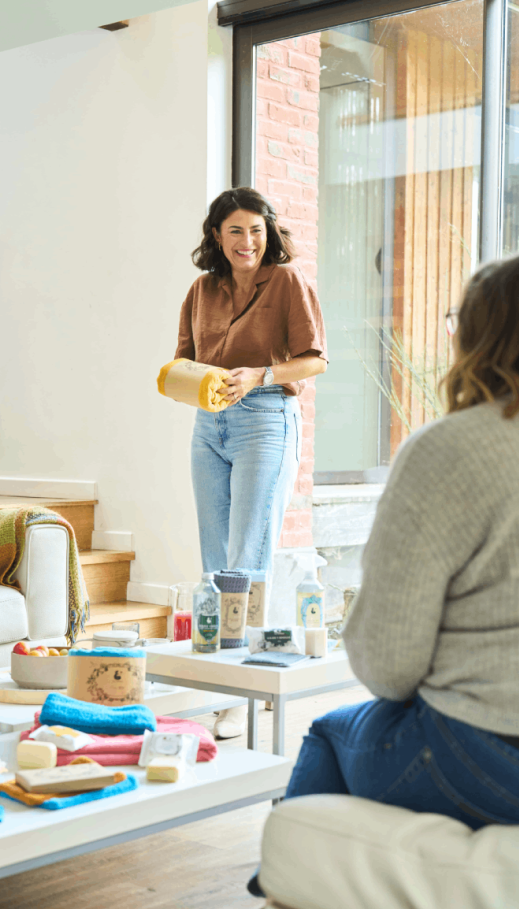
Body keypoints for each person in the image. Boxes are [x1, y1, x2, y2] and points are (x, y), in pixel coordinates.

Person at [210, 250, 519, 909]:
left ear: (474, 339)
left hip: (499, 766)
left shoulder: (447, 450)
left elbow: (387, 669)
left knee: (331, 731)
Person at [176, 188, 327, 738]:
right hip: (208, 421)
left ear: (269, 233)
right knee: (215, 560)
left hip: (265, 417)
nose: (248, 241)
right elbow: (185, 359)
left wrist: (259, 375)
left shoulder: (286, 282)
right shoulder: (202, 289)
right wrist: (188, 379)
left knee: (248, 555)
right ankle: (229, 677)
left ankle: (244, 688)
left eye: (257, 230)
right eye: (236, 231)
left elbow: (313, 360)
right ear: (217, 235)